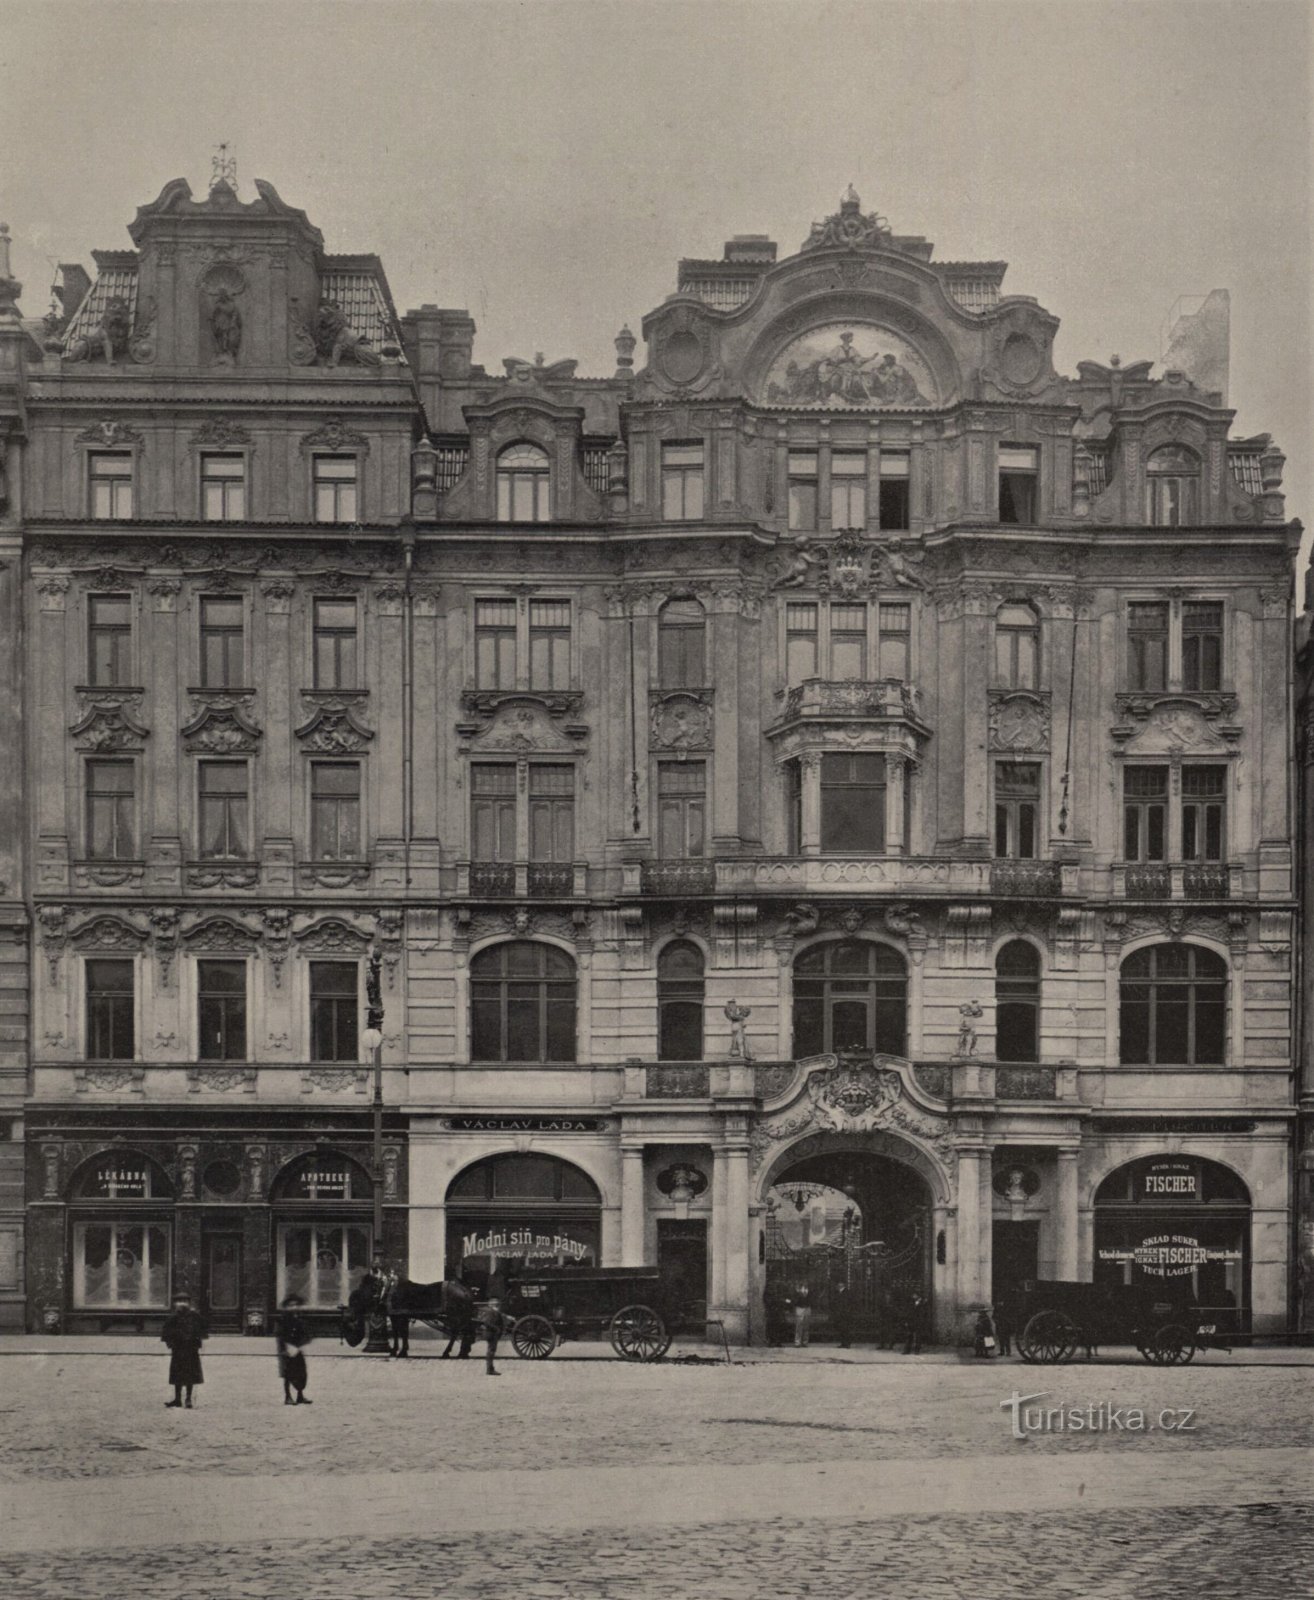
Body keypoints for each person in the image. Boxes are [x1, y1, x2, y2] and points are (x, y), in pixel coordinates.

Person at [160, 1292, 206, 1408]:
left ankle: (188, 1399)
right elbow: (166, 1332)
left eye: (184, 1301)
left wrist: (197, 1341)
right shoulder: (172, 1318)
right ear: (175, 1304)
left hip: (191, 1349)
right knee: (177, 1374)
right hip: (178, 1350)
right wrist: (170, 1344)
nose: (182, 1304)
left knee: (190, 1374)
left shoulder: (195, 1316)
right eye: (179, 1301)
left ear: (189, 1303)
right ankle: (177, 1399)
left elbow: (203, 1330)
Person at [277, 1294, 313, 1404]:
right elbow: (280, 1335)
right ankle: (287, 1396)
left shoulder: (299, 1318)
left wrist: (302, 1344)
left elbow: (306, 1333)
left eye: (296, 1305)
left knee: (301, 1373)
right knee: (288, 1373)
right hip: (287, 1350)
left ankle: (300, 1395)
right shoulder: (283, 1319)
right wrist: (286, 1347)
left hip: (298, 1349)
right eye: (291, 1305)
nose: (293, 1307)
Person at [477, 1298, 506, 1376]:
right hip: (491, 1334)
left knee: (492, 1351)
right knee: (491, 1351)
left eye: (498, 1305)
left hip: (493, 1334)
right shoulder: (490, 1312)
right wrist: (497, 1329)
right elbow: (487, 1323)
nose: (499, 1307)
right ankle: (489, 1369)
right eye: (497, 1305)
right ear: (493, 1305)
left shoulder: (495, 1312)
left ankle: (490, 1369)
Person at [831, 1281, 852, 1349]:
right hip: (840, 1314)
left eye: (838, 1285)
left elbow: (847, 1303)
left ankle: (847, 1343)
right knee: (842, 1329)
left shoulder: (846, 1292)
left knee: (846, 1329)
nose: (837, 1286)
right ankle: (843, 1343)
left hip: (844, 1314)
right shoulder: (839, 1292)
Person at [792, 1282, 812, 1348]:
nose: (805, 1287)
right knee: (799, 1325)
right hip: (800, 1308)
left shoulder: (810, 1292)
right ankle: (797, 1342)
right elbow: (794, 1300)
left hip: (807, 1308)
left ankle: (805, 1342)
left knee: (806, 1326)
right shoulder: (797, 1292)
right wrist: (799, 1293)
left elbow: (813, 1299)